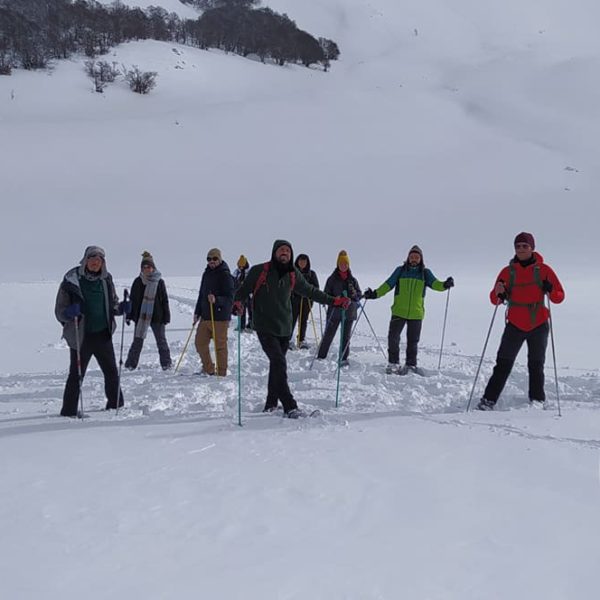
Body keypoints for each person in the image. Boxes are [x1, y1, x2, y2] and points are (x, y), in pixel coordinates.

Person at [233, 240, 351, 418]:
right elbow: (242, 292)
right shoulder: (260, 271)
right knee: (279, 362)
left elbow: (311, 291)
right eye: (281, 250)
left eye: (288, 251)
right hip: (264, 325)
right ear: (274, 252)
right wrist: (237, 304)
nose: (284, 253)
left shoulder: (293, 274)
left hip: (285, 327)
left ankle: (271, 404)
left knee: (276, 365)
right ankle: (290, 406)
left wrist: (334, 301)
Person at [477, 232, 565, 410]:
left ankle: (537, 400)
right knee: (503, 363)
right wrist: (498, 292)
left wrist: (551, 290)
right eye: (518, 246)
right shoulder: (507, 272)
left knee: (536, 364)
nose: (521, 249)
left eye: (525, 246)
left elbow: (559, 297)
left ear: (532, 248)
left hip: (538, 323)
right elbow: (494, 300)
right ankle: (488, 400)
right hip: (515, 324)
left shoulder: (544, 270)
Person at [55, 245, 130, 417]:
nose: (96, 263)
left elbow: (112, 304)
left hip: (103, 334)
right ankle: (68, 412)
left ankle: (116, 405)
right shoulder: (71, 281)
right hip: (81, 336)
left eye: (99, 260)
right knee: (76, 375)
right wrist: (68, 313)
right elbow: (59, 311)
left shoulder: (106, 280)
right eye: (92, 259)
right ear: (85, 260)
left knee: (111, 371)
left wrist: (122, 308)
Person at [363, 245, 453, 375]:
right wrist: (375, 294)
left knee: (413, 341)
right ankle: (393, 363)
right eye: (412, 257)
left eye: (416, 257)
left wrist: (445, 284)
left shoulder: (425, 273)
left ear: (421, 259)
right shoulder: (400, 271)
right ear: (408, 258)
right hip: (399, 311)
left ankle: (411, 365)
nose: (414, 259)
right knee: (393, 338)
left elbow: (436, 284)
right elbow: (388, 284)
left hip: (416, 313)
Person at [124, 251, 172, 371]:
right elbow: (133, 300)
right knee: (137, 341)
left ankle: (166, 364)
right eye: (144, 267)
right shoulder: (137, 282)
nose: (146, 269)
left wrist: (167, 316)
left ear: (153, 268)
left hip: (157, 316)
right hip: (141, 317)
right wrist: (129, 315)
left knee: (161, 341)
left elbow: (164, 300)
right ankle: (131, 364)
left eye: (149, 267)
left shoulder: (159, 282)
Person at [193, 248, 234, 376]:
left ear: (220, 259)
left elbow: (230, 297)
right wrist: (197, 312)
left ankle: (221, 373)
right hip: (205, 316)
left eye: (214, 259)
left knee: (220, 347)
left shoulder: (226, 275)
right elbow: (201, 294)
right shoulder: (206, 274)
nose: (212, 261)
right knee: (200, 343)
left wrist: (217, 299)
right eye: (209, 259)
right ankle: (209, 368)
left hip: (220, 318)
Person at [317, 250, 361, 365]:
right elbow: (326, 294)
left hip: (349, 313)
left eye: (345, 264)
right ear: (338, 264)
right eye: (341, 263)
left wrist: (355, 296)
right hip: (334, 312)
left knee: (345, 338)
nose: (343, 266)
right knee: (328, 335)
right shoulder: (332, 279)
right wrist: (335, 299)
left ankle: (344, 359)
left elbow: (359, 294)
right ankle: (321, 357)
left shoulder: (353, 280)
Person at [290, 253, 319, 349]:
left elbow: (316, 288)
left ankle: (301, 340)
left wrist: (308, 291)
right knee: (291, 320)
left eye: (304, 261)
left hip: (306, 301)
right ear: (297, 262)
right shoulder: (292, 273)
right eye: (301, 261)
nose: (302, 263)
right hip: (294, 300)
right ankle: (288, 339)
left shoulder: (311, 274)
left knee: (303, 320)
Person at [232, 255, 253, 331]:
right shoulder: (237, 272)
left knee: (251, 310)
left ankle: (251, 325)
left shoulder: (251, 271)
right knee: (241, 309)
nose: (240, 268)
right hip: (241, 294)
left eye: (242, 266)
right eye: (239, 266)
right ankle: (241, 325)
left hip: (250, 294)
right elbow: (233, 281)